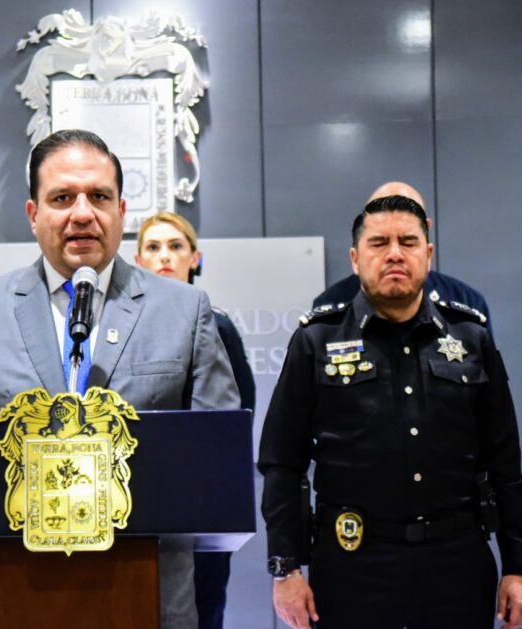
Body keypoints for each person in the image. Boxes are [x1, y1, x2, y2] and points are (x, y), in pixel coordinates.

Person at [0, 129, 240, 629]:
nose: (83, 213)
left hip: (149, 598)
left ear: (122, 211)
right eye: (63, 198)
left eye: (99, 197)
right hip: (13, 595)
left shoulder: (185, 310)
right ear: (33, 214)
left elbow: (217, 459)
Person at [258, 195, 522, 629]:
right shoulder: (317, 340)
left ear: (428, 254)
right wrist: (286, 569)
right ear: (355, 258)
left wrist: (517, 565)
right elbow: (282, 462)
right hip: (351, 565)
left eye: (408, 242)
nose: (395, 253)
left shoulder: (470, 337)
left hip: (456, 564)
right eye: (379, 243)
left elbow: (506, 464)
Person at [134, 211, 255, 629]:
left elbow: (237, 417)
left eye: (175, 246)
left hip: (201, 501)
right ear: (138, 260)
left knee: (204, 609)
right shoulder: (118, 329)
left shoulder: (218, 326)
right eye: (153, 247)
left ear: (195, 258)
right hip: (136, 499)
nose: (165, 256)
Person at [312, 181, 492, 335]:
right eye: (380, 242)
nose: (394, 254)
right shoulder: (332, 304)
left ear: (426, 228)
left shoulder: (466, 301)